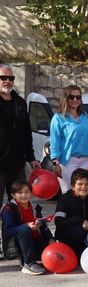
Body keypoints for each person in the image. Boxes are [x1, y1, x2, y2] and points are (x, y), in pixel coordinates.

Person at [0, 65, 40, 222]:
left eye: (11, 78)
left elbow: (26, 133)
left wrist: (32, 158)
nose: (8, 81)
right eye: (3, 78)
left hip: (17, 165)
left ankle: (15, 244)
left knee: (20, 206)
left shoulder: (20, 102)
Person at [1, 180, 54, 275]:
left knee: (55, 246)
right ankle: (28, 263)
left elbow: (43, 226)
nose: (24, 195)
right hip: (19, 247)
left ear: (31, 194)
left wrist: (50, 239)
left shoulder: (34, 207)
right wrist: (27, 226)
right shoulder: (8, 209)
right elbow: (7, 231)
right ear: (13, 195)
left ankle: (39, 258)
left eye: (26, 192)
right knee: (25, 229)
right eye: (20, 192)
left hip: (36, 243)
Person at [49, 85, 88, 191]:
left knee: (84, 192)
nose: (75, 100)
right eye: (72, 97)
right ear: (66, 98)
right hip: (68, 160)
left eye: (78, 97)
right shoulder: (59, 118)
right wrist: (55, 163)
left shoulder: (85, 116)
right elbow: (54, 142)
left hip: (86, 159)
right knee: (69, 193)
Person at [54, 168, 88, 258]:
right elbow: (58, 221)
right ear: (73, 186)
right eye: (80, 184)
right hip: (68, 233)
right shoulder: (64, 199)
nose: (83, 187)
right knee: (79, 231)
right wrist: (81, 221)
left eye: (87, 184)